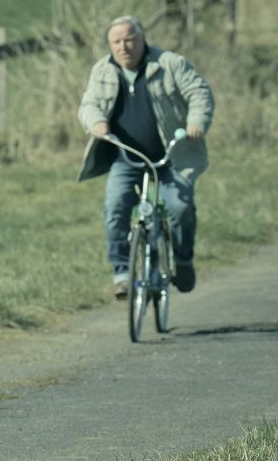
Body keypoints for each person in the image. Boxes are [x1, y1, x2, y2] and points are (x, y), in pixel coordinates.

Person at [77, 15, 214, 299]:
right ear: (109, 44)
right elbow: (88, 104)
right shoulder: (102, 70)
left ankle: (183, 259)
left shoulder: (169, 63)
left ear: (142, 39)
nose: (123, 47)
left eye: (129, 39)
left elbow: (199, 92)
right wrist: (96, 123)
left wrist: (196, 122)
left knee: (180, 209)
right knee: (115, 207)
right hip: (126, 158)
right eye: (116, 41)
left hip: (170, 157)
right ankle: (122, 273)